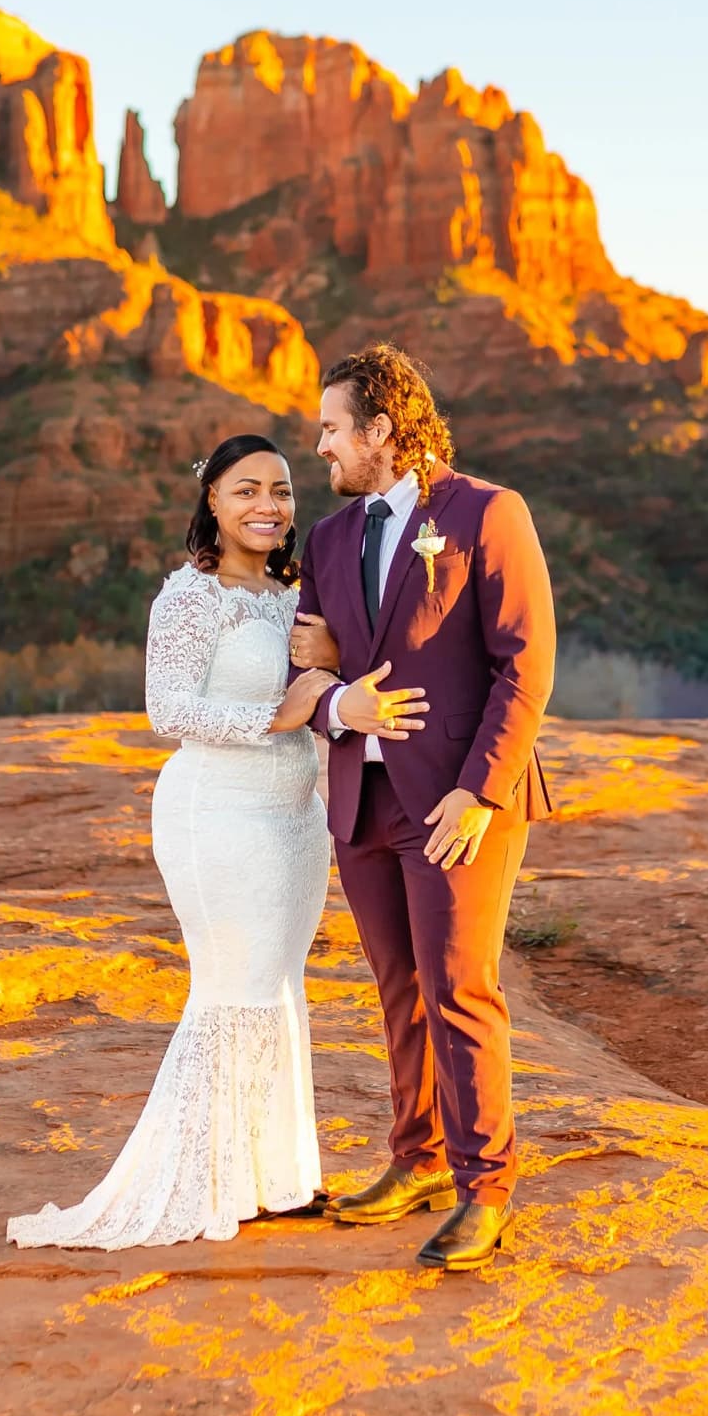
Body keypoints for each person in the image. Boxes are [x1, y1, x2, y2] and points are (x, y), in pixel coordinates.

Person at [6, 433, 414, 1252]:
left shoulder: (292, 594)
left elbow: (332, 683)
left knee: (276, 983)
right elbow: (170, 710)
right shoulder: (189, 598)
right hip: (218, 815)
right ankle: (205, 1181)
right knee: (235, 985)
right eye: (246, 491)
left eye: (283, 491)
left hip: (296, 819)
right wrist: (280, 714)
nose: (268, 506)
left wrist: (329, 670)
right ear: (214, 505)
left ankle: (274, 1176)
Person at [290, 346, 556, 1272]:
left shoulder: (487, 513)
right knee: (398, 992)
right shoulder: (326, 541)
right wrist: (334, 707)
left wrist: (480, 791)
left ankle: (487, 1191)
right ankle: (419, 1159)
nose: (319, 447)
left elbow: (526, 666)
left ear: (381, 431)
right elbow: (307, 668)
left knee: (459, 988)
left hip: (458, 802)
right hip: (362, 799)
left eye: (331, 429)